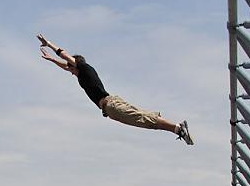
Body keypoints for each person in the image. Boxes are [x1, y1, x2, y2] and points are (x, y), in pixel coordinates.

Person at [37, 34, 193, 144]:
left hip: (111, 105)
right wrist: (51, 60)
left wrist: (49, 44)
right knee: (142, 119)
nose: (69, 71)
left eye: (71, 68)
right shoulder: (82, 74)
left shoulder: (84, 68)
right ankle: (177, 129)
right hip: (111, 107)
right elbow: (65, 65)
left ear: (75, 64)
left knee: (141, 118)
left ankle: (178, 128)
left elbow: (65, 57)